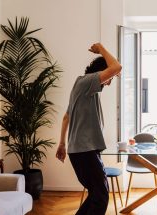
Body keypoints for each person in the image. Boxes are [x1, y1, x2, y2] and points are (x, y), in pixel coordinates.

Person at [56, 43, 122, 215]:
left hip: (82, 151)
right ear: (101, 72)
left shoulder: (82, 88)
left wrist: (62, 144)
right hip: (84, 151)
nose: (108, 83)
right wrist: (101, 49)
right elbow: (116, 67)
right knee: (101, 196)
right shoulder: (87, 82)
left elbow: (66, 117)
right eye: (110, 78)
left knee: (96, 195)